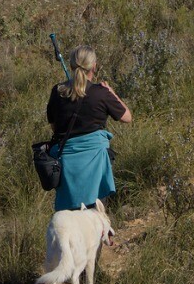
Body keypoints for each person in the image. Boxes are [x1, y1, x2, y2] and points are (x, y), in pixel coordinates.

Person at [47, 45, 132, 213]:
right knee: (96, 216)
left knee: (70, 216)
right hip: (96, 163)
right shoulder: (101, 93)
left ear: (71, 66)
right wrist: (112, 92)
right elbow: (127, 117)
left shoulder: (57, 92)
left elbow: (54, 127)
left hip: (66, 165)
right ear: (94, 66)